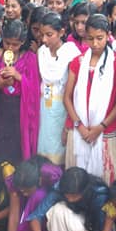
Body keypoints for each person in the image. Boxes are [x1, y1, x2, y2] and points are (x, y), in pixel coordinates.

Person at [62, 14, 116, 185]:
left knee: (106, 181)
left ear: (108, 36)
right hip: (79, 130)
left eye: (99, 38)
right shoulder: (78, 62)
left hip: (105, 129)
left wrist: (101, 127)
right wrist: (79, 125)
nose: (95, 44)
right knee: (77, 182)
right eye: (90, 39)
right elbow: (67, 98)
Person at [0, 19, 41, 165]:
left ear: (23, 42)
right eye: (7, 42)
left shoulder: (29, 58)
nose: (10, 47)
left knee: (17, 151)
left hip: (20, 112)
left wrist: (19, 77)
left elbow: (35, 90)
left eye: (15, 44)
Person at [0, 155, 63, 231]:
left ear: (39, 181)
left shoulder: (52, 174)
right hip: (33, 196)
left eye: (26, 191)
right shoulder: (18, 180)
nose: (24, 193)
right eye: (21, 190)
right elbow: (13, 216)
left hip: (49, 199)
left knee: (38, 196)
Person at [37, 11, 80, 166]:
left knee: (59, 149)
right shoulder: (41, 51)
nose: (44, 39)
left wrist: (68, 124)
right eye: (42, 35)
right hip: (44, 105)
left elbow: (75, 89)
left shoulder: (71, 53)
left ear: (61, 32)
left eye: (49, 35)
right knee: (44, 143)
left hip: (63, 107)